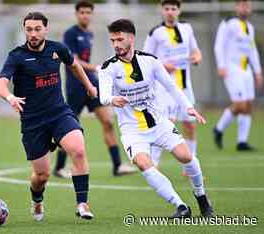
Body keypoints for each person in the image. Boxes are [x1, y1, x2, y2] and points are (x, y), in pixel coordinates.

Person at [98, 19, 214, 217]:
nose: (116, 44)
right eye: (113, 40)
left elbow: (171, 86)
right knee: (144, 163)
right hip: (132, 130)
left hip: (159, 123)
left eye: (120, 39)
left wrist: (188, 107)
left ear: (131, 38)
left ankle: (201, 196)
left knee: (186, 157)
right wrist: (111, 99)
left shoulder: (150, 61)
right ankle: (180, 206)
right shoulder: (108, 67)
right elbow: (103, 95)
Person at [0, 12, 96, 221]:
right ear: (25, 30)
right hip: (33, 122)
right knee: (42, 176)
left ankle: (82, 203)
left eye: (37, 29)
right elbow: (1, 84)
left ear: (46, 29)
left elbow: (75, 65)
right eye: (29, 29)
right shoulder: (17, 56)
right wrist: (10, 97)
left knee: (78, 150)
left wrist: (89, 86)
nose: (33, 34)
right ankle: (37, 200)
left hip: (59, 113)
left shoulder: (57, 49)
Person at [53, 0, 136, 179]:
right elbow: (73, 61)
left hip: (92, 84)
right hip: (76, 86)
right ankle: (59, 167)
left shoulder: (89, 34)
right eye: (82, 12)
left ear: (92, 14)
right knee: (69, 128)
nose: (85, 15)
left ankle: (117, 165)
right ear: (77, 14)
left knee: (108, 122)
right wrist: (95, 67)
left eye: (88, 12)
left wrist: (94, 72)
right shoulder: (70, 34)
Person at [143, 0, 202, 170]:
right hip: (164, 89)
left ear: (179, 10)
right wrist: (162, 64)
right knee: (165, 123)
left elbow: (196, 51)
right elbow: (146, 59)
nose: (170, 12)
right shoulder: (156, 33)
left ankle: (190, 165)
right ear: (162, 11)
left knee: (190, 124)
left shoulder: (187, 29)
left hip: (184, 86)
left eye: (173, 9)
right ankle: (154, 164)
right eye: (167, 9)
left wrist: (197, 58)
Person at [213, 0, 262, 151]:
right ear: (236, 7)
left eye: (247, 5)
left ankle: (242, 142)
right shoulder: (228, 23)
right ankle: (219, 128)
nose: (244, 8)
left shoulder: (250, 27)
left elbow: (252, 51)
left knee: (247, 106)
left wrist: (258, 71)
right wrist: (221, 65)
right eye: (241, 5)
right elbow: (219, 45)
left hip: (246, 70)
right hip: (232, 69)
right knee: (240, 104)